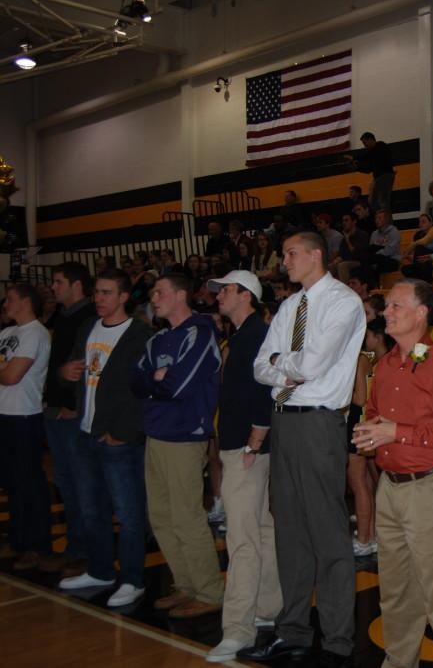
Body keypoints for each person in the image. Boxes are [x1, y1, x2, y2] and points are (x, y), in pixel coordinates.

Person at [246, 232, 365, 667]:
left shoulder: (343, 302)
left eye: (291, 254)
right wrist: (284, 369)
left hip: (319, 423)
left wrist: (281, 366)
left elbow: (313, 365)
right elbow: (260, 366)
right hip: (285, 421)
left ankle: (337, 640)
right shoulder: (289, 306)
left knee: (329, 534)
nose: (285, 261)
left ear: (317, 255)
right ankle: (292, 631)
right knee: (290, 532)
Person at [353, 280, 433, 668]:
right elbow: (374, 413)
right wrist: (370, 431)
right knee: (395, 589)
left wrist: (396, 433)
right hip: (391, 487)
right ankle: (398, 661)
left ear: (421, 312)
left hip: (432, 487)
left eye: (395, 306)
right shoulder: (386, 365)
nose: (385, 312)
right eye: (385, 306)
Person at [131, 273, 224, 619]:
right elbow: (136, 379)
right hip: (156, 432)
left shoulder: (200, 333)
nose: (154, 297)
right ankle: (186, 585)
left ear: (181, 295)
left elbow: (178, 385)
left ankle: (210, 591)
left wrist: (157, 381)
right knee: (161, 515)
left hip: (184, 435)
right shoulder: (158, 339)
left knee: (187, 516)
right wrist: (155, 381)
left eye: (160, 292)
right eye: (153, 292)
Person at [58, 269, 151, 608]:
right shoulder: (88, 328)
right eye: (97, 292)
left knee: (128, 513)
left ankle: (132, 578)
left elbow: (141, 391)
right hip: (85, 432)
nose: (99, 299)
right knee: (90, 508)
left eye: (107, 293)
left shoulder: (140, 334)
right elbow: (75, 370)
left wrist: (124, 432)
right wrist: (65, 373)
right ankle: (100, 570)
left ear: (124, 297)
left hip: (118, 439)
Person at [204, 271, 281, 663]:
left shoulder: (252, 336)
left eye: (226, 290)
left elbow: (263, 393)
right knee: (261, 532)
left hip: (247, 450)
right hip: (251, 448)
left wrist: (253, 442)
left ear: (245, 295)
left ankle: (237, 629)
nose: (218, 295)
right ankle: (268, 609)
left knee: (242, 541)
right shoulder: (246, 334)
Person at [41, 262, 96, 576]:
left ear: (76, 285)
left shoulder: (87, 319)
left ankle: (86, 550)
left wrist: (75, 405)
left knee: (82, 484)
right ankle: (77, 545)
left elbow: (84, 367)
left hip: (72, 412)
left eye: (59, 282)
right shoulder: (63, 317)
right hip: (57, 409)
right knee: (67, 482)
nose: (53, 287)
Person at [0, 283, 52, 572]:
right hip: (4, 414)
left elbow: (12, 376)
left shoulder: (36, 333)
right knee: (12, 483)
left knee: (28, 482)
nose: (5, 304)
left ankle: (37, 544)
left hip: (23, 416)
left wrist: (5, 370)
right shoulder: (7, 333)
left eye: (9, 299)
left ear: (25, 302)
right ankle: (18, 540)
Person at [346, 316, 392, 558]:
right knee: (365, 480)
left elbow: (360, 397)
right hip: (361, 422)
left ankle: (365, 538)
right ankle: (370, 534)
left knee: (359, 482)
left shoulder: (359, 358)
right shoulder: (363, 357)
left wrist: (335, 392)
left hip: (358, 422)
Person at [344, 132, 394, 213]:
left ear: (370, 139)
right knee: (372, 201)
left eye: (364, 142)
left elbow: (366, 160)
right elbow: (368, 168)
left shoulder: (380, 146)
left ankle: (385, 220)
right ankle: (380, 217)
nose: (364, 145)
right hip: (379, 177)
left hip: (384, 176)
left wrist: (355, 160)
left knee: (383, 201)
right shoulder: (373, 152)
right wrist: (357, 167)